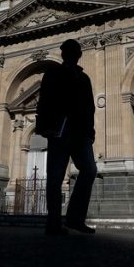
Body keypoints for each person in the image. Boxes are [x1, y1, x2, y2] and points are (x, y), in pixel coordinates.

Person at [36, 38, 97, 235]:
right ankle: (53, 223)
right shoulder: (52, 74)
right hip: (59, 131)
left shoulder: (84, 78)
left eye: (74, 51)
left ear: (79, 55)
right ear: (64, 54)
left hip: (80, 133)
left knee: (89, 170)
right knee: (55, 178)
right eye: (69, 51)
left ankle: (75, 218)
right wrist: (44, 128)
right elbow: (43, 102)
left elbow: (90, 107)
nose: (72, 54)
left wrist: (91, 132)